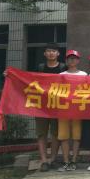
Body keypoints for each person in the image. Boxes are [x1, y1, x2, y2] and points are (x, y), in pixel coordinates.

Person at [33, 43, 65, 172]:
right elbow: (29, 81)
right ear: (45, 54)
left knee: (56, 134)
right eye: (49, 51)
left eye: (54, 51)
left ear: (58, 53)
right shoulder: (39, 68)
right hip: (41, 106)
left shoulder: (63, 67)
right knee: (42, 133)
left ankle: (53, 159)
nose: (51, 53)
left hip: (57, 106)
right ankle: (44, 160)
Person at [58, 50, 87, 172]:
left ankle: (74, 160)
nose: (72, 60)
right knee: (64, 136)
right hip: (63, 110)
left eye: (74, 58)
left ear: (78, 60)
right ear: (66, 60)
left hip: (78, 109)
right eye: (70, 58)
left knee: (76, 137)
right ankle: (66, 161)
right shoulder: (61, 75)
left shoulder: (84, 75)